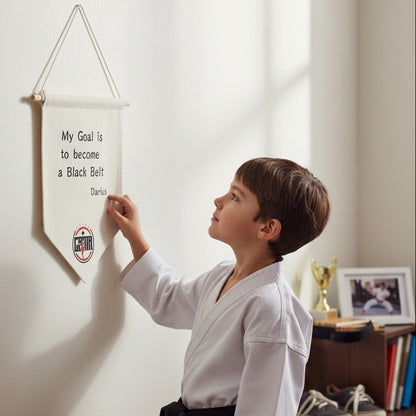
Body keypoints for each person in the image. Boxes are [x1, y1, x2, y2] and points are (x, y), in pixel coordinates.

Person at [107, 157, 331, 416]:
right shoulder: (222, 276)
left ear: (267, 228)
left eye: (235, 197)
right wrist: (135, 236)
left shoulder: (273, 309)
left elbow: (268, 409)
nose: (219, 200)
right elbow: (168, 299)